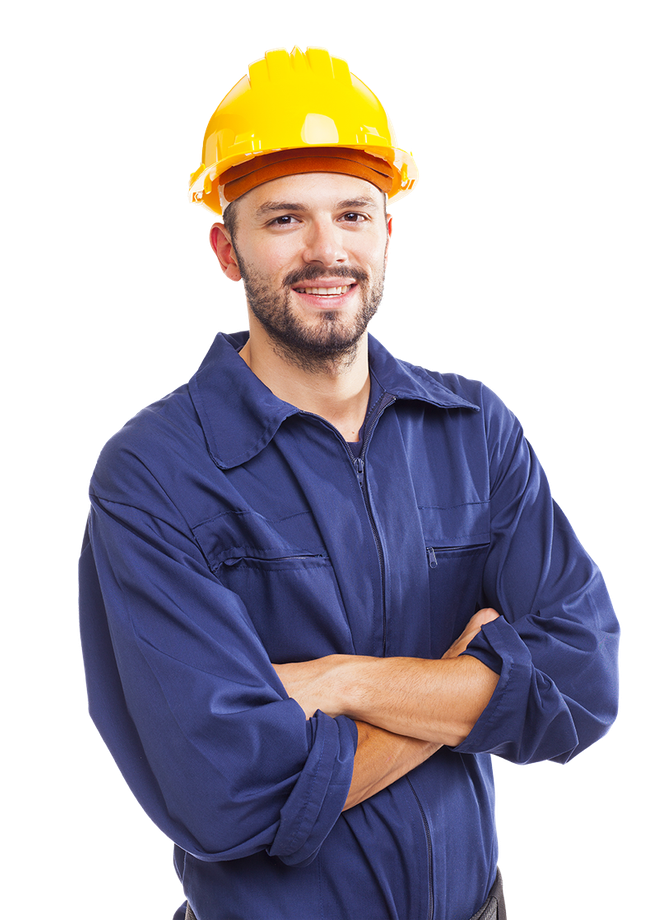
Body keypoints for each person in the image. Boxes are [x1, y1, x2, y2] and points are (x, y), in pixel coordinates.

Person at [78, 45, 621, 920]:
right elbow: (227, 799)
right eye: (285, 218)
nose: (327, 250)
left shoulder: (476, 428)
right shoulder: (154, 475)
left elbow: (585, 685)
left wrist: (339, 680)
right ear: (226, 249)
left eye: (354, 214)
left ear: (388, 232)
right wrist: (462, 685)